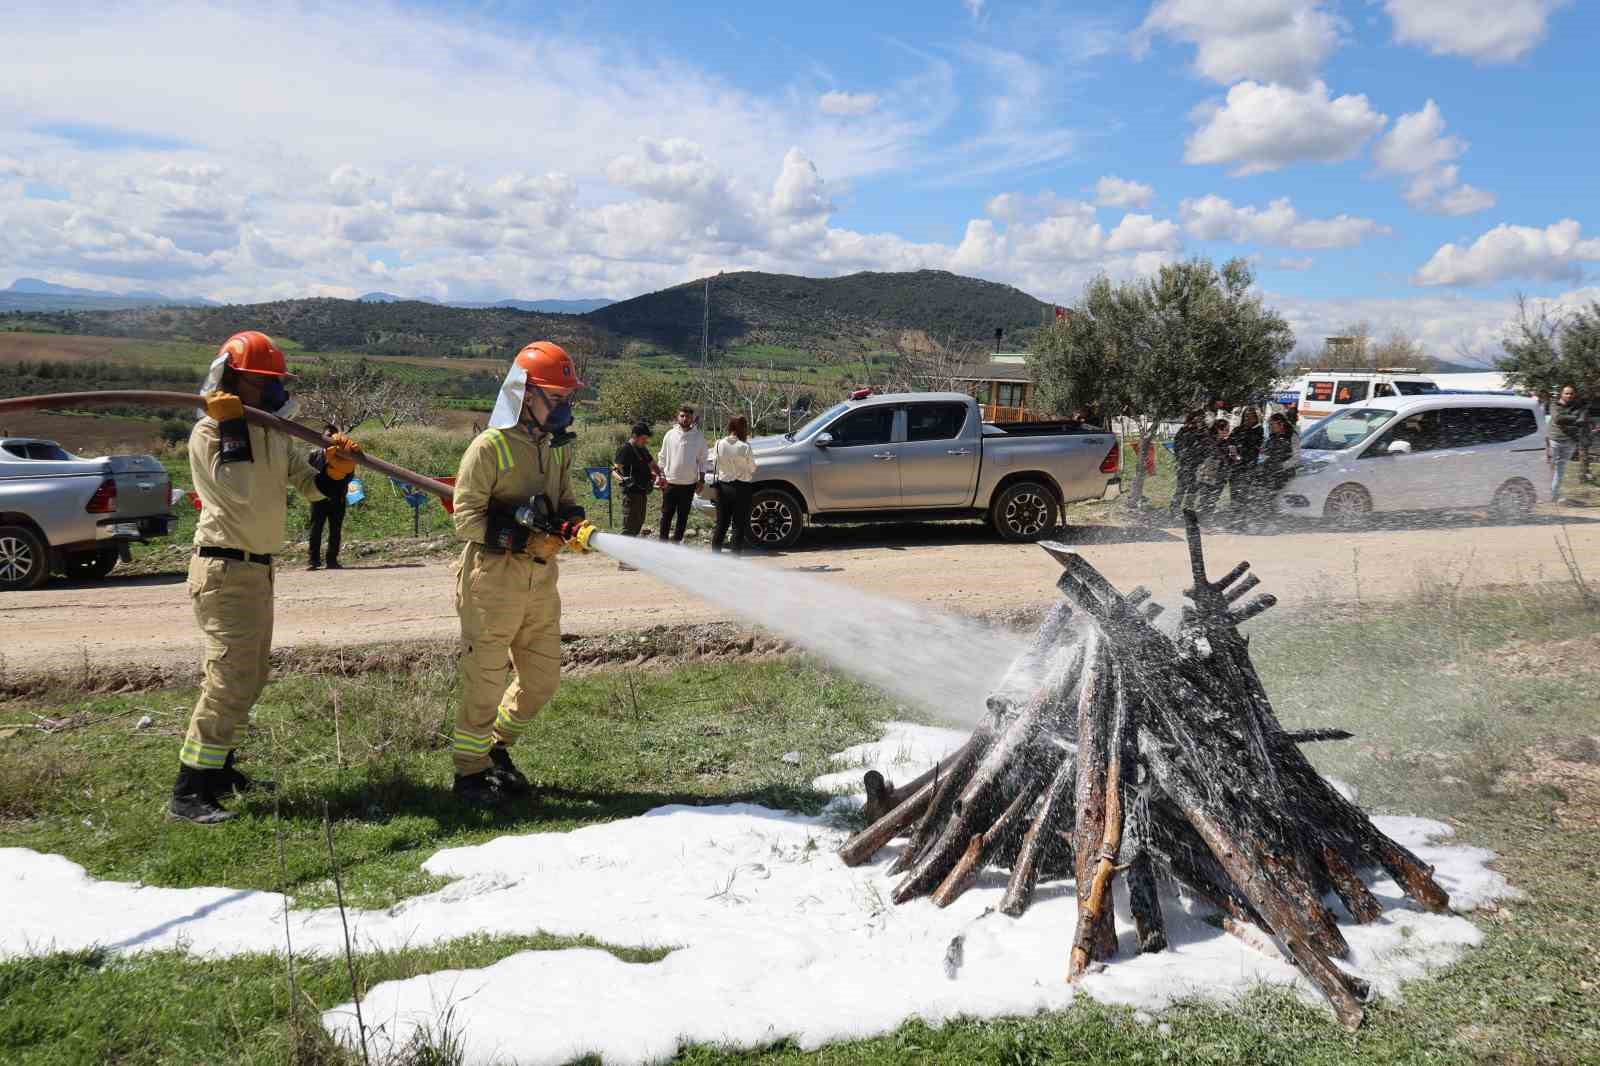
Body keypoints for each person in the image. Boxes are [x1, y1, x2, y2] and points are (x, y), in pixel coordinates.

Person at [171, 332, 360, 824]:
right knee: (228, 675)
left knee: (250, 676)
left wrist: (333, 469)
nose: (275, 390)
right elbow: (236, 492)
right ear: (234, 380)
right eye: (265, 381)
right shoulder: (210, 434)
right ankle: (189, 790)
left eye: (278, 381)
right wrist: (234, 429)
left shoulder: (273, 432)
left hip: (259, 568)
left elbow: (308, 486)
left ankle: (220, 769)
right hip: (223, 567)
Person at [448, 340, 586, 807]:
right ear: (526, 395)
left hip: (541, 580)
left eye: (568, 397)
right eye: (556, 396)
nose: (564, 406)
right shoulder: (488, 448)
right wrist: (525, 540)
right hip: (493, 580)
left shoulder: (557, 449)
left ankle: (496, 747)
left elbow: (564, 497)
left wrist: (574, 523)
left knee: (543, 679)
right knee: (485, 679)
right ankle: (469, 773)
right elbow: (466, 519)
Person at [611, 422, 659, 572]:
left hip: (642, 492)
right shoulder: (625, 449)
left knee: (638, 523)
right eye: (644, 438)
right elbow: (613, 470)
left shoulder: (642, 449)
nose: (646, 441)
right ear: (635, 436)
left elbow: (653, 464)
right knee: (629, 526)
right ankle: (623, 561)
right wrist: (622, 480)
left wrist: (660, 474)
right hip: (631, 494)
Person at [656, 404, 706, 543]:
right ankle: (663, 543)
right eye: (682, 416)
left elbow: (702, 460)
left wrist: (701, 480)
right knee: (666, 515)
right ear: (677, 417)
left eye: (688, 416)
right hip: (670, 483)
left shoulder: (699, 437)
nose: (685, 419)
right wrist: (660, 477)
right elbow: (662, 457)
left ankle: (676, 542)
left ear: (692, 418)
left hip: (689, 484)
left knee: (683, 516)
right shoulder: (670, 435)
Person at [307, 422, 349, 570]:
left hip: (338, 498)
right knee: (315, 529)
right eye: (326, 437)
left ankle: (332, 560)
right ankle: (313, 561)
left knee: (335, 531)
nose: (329, 440)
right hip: (318, 497)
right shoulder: (314, 454)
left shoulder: (344, 454)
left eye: (332, 437)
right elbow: (308, 474)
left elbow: (349, 475)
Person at [712, 415, 756, 553]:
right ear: (743, 428)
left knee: (721, 524)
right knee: (738, 525)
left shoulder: (719, 443)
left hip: (723, 487)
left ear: (730, 426)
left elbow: (715, 464)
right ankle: (735, 560)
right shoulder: (745, 447)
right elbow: (752, 468)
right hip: (741, 488)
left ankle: (715, 556)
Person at [1547, 384, 1586, 503]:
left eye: (1571, 393)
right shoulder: (1554, 405)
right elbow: (1558, 419)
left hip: (1570, 442)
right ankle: (1543, 494)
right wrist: (1574, 417)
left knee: (1560, 470)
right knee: (1547, 467)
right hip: (1554, 441)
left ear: (1574, 395)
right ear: (1561, 394)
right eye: (1566, 393)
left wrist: (1570, 418)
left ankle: (1553, 496)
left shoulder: (1578, 406)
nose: (1569, 395)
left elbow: (1582, 421)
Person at [1169, 410, 1206, 518]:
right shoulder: (1184, 431)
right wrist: (1183, 460)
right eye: (1197, 419)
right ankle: (1174, 510)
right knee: (1181, 488)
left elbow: (1206, 448)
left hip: (1198, 465)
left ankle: (1188, 510)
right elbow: (1178, 448)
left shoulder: (1203, 432)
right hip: (1185, 465)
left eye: (1201, 419)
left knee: (1194, 489)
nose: (1199, 421)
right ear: (1192, 419)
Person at [1228, 408, 1263, 516]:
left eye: (1251, 416)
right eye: (1246, 416)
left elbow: (1255, 445)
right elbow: (1230, 442)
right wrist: (1233, 452)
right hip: (1236, 466)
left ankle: (1241, 518)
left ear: (1255, 418)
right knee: (1234, 493)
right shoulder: (1237, 430)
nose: (1248, 418)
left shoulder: (1258, 430)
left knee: (1244, 493)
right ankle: (1235, 516)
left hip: (1249, 466)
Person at [1195, 419, 1232, 518]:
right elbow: (1202, 455)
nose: (1228, 432)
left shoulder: (1226, 443)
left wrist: (1233, 456)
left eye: (1228, 430)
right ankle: (1201, 518)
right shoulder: (1208, 441)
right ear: (1218, 430)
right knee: (1205, 497)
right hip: (1208, 470)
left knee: (1214, 498)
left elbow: (1229, 459)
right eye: (1226, 430)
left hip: (1220, 474)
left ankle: (1206, 518)